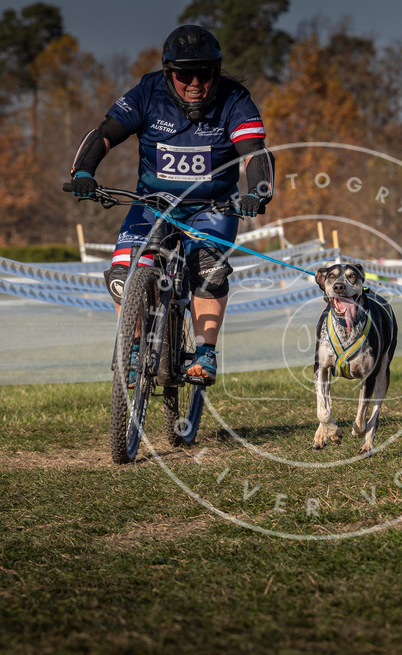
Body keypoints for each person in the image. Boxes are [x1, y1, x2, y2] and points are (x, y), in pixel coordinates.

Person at [69, 24, 274, 385]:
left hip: (212, 208)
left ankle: (205, 353)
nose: (194, 82)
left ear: (216, 71)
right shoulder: (148, 92)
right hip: (152, 204)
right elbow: (105, 134)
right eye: (184, 74)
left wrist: (256, 192)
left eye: (205, 73)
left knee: (209, 272)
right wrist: (84, 173)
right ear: (169, 73)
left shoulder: (235, 99)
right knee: (122, 274)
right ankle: (133, 347)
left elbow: (254, 153)